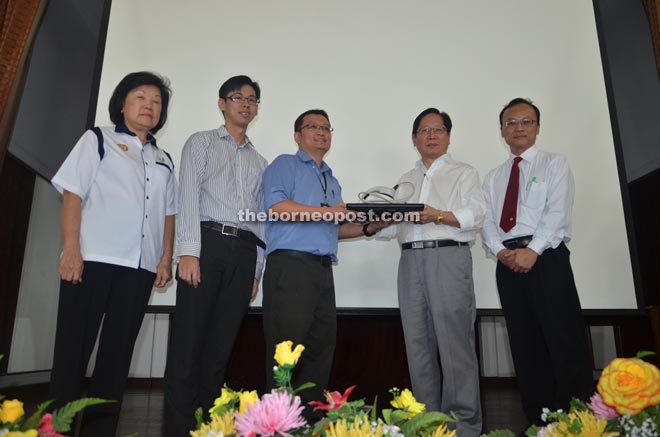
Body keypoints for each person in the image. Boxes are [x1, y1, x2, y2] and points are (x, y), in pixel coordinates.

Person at [49, 71, 177, 436]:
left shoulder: (164, 157)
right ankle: (54, 430)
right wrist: (72, 250)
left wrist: (165, 258)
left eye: (156, 101)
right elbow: (72, 194)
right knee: (72, 355)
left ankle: (99, 432)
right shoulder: (97, 139)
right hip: (92, 261)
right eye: (141, 97)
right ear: (122, 104)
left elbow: (169, 214)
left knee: (116, 360)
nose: (149, 106)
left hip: (139, 270)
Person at [164, 75, 267, 436]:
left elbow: (261, 220)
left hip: (243, 253)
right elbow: (187, 196)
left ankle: (207, 427)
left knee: (220, 347)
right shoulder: (202, 143)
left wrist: (256, 269)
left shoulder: (261, 162)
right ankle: (177, 429)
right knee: (188, 345)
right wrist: (188, 253)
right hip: (206, 244)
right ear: (222, 103)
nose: (245, 104)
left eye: (252, 99)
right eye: (237, 97)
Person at [481, 97, 593, 425]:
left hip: (547, 259)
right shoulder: (493, 176)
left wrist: (534, 250)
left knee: (563, 339)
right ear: (502, 131)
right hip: (508, 261)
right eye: (511, 123)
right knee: (524, 342)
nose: (518, 128)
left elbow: (557, 212)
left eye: (526, 122)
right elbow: (487, 220)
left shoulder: (555, 164)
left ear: (538, 128)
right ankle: (539, 420)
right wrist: (500, 252)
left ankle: (577, 421)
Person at [261, 109, 380, 415]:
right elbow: (277, 207)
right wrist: (328, 212)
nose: (321, 132)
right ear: (297, 136)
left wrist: (370, 227)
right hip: (290, 268)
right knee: (285, 354)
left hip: (321, 270)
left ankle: (310, 424)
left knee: (319, 351)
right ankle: (278, 426)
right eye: (312, 126)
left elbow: (334, 228)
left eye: (326, 127)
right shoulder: (284, 164)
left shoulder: (331, 177)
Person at [377, 108, 484, 436]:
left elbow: (477, 215)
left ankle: (463, 426)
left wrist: (437, 215)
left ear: (449, 137)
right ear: (414, 139)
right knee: (418, 345)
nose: (432, 136)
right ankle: (427, 425)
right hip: (409, 262)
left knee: (455, 347)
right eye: (425, 130)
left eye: (438, 130)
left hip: (448, 259)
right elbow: (387, 230)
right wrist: (373, 216)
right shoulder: (405, 180)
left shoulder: (464, 173)